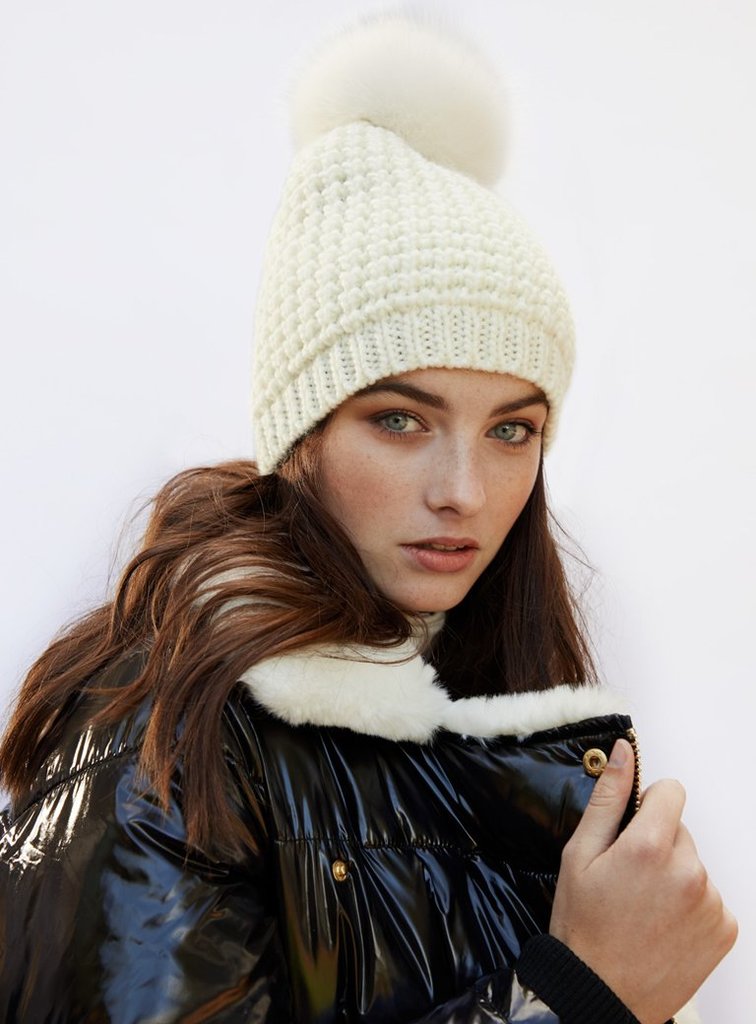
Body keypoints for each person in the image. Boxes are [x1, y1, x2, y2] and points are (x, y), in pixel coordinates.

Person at [0, 14, 736, 1024]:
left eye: (512, 430)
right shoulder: (169, 735)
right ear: (298, 431)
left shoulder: (499, 723)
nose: (464, 490)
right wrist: (578, 997)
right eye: (400, 419)